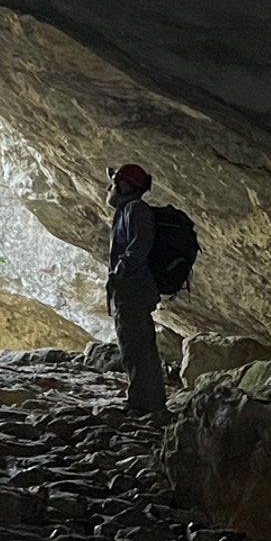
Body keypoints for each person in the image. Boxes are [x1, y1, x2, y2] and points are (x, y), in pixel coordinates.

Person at [105, 162, 166, 415]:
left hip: (133, 291)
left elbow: (140, 245)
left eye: (114, 182)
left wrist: (122, 270)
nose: (110, 188)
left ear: (125, 185)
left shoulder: (135, 210)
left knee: (135, 347)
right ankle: (150, 402)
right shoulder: (127, 210)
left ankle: (143, 404)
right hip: (130, 290)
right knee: (138, 345)